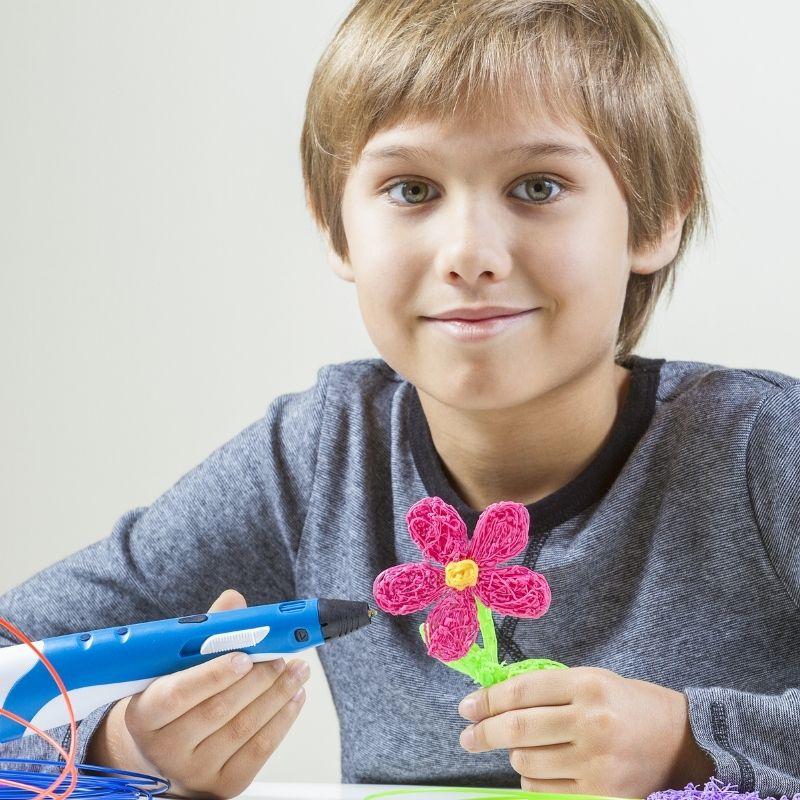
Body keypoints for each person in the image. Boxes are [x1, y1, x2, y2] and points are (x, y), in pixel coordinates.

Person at [2, 0, 798, 798]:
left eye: (538, 185)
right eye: (413, 189)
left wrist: (692, 742)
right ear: (338, 231)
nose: (469, 254)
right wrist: (123, 747)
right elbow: (17, 659)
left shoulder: (761, 447)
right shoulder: (320, 455)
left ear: (655, 215)